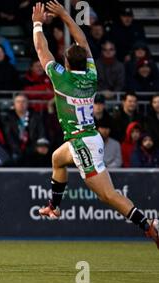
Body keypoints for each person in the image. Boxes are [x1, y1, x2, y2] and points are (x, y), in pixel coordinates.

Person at [32, 1, 158, 247]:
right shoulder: (91, 75)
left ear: (67, 64)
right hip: (87, 137)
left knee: (108, 195)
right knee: (57, 159)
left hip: (82, 143)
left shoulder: (62, 79)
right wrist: (66, 16)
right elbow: (84, 43)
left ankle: (148, 225)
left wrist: (38, 23)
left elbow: (41, 48)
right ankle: (53, 207)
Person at [4, 94, 45, 165]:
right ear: (14, 104)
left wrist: (42, 145)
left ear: (28, 104)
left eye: (23, 101)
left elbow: (42, 132)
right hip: (13, 150)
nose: (21, 104)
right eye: (18, 102)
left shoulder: (35, 116)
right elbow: (8, 136)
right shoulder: (7, 117)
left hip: (32, 149)